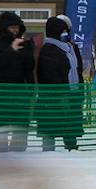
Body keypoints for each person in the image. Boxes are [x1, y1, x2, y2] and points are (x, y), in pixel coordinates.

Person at [0, 10, 37, 149]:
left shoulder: (23, 44)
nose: (15, 30)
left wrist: (29, 52)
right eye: (12, 27)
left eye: (17, 27)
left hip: (20, 95)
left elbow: (29, 69)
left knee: (20, 129)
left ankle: (18, 158)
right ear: (3, 28)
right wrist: (11, 50)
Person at [34, 15, 86, 150]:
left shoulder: (70, 48)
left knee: (70, 134)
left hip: (71, 99)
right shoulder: (48, 50)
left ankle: (72, 154)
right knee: (49, 135)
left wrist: (80, 92)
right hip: (53, 102)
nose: (65, 33)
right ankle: (48, 161)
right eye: (62, 30)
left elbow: (78, 70)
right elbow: (50, 76)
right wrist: (63, 95)